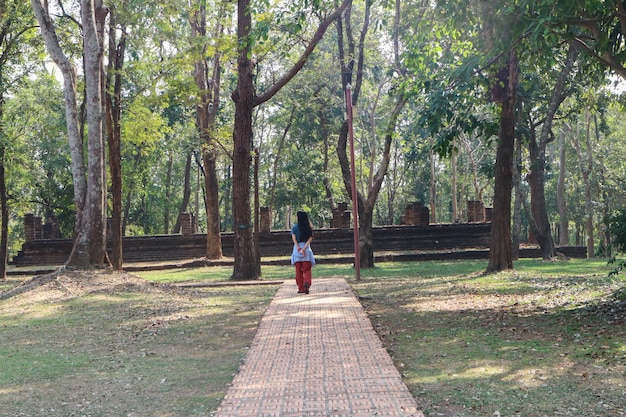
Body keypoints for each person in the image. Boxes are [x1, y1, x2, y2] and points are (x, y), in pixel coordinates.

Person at [291, 211, 315, 294]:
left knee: (298, 271)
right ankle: (307, 283)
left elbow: (294, 239)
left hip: (296, 251)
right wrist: (304, 249)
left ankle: (301, 288)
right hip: (306, 250)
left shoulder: (294, 227)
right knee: (307, 269)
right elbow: (310, 239)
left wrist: (298, 248)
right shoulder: (309, 227)